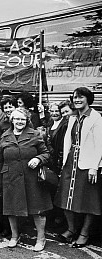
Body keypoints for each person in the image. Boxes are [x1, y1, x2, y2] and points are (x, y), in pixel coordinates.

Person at [0, 108, 52, 252]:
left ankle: (41, 238)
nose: (19, 122)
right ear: (12, 120)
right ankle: (14, 236)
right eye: (16, 119)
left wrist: (38, 158)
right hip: (11, 178)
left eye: (22, 119)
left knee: (37, 209)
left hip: (32, 178)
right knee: (11, 209)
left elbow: (46, 153)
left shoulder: (35, 135)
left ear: (27, 120)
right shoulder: (5, 136)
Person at [54, 87, 102, 248]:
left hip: (87, 164)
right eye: (75, 97)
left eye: (81, 97)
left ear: (88, 99)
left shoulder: (96, 118)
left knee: (89, 201)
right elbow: (68, 140)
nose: (77, 100)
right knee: (66, 197)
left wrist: (94, 166)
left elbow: (100, 145)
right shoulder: (73, 117)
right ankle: (71, 229)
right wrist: (64, 163)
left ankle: (84, 233)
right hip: (71, 162)